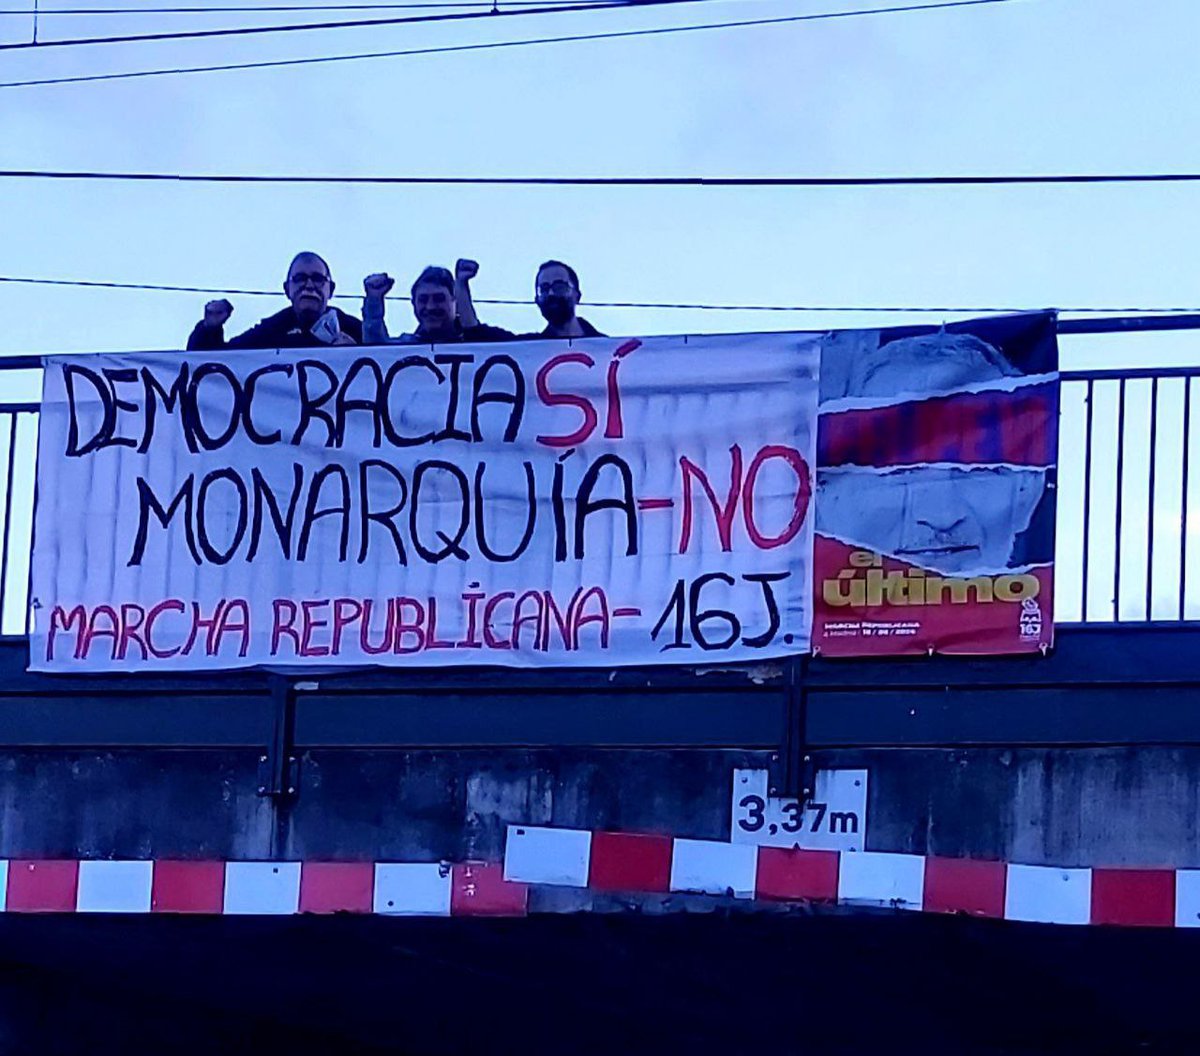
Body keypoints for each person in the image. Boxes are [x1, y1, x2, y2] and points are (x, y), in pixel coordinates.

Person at [186, 252, 361, 351]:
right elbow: (212, 365)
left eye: (317, 278)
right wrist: (209, 329)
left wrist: (358, 355)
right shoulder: (273, 329)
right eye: (300, 278)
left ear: (331, 289)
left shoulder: (353, 330)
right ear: (287, 289)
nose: (309, 285)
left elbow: (386, 364)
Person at [362, 260, 514, 345]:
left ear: (454, 301)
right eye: (423, 300)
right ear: (413, 304)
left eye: (439, 299)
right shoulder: (407, 347)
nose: (430, 307)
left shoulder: (487, 344)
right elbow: (376, 351)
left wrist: (462, 284)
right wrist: (374, 300)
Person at [520, 260, 605, 339]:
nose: (551, 293)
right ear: (537, 300)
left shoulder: (606, 348)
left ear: (577, 295)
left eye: (560, 287)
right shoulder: (528, 348)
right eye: (544, 289)